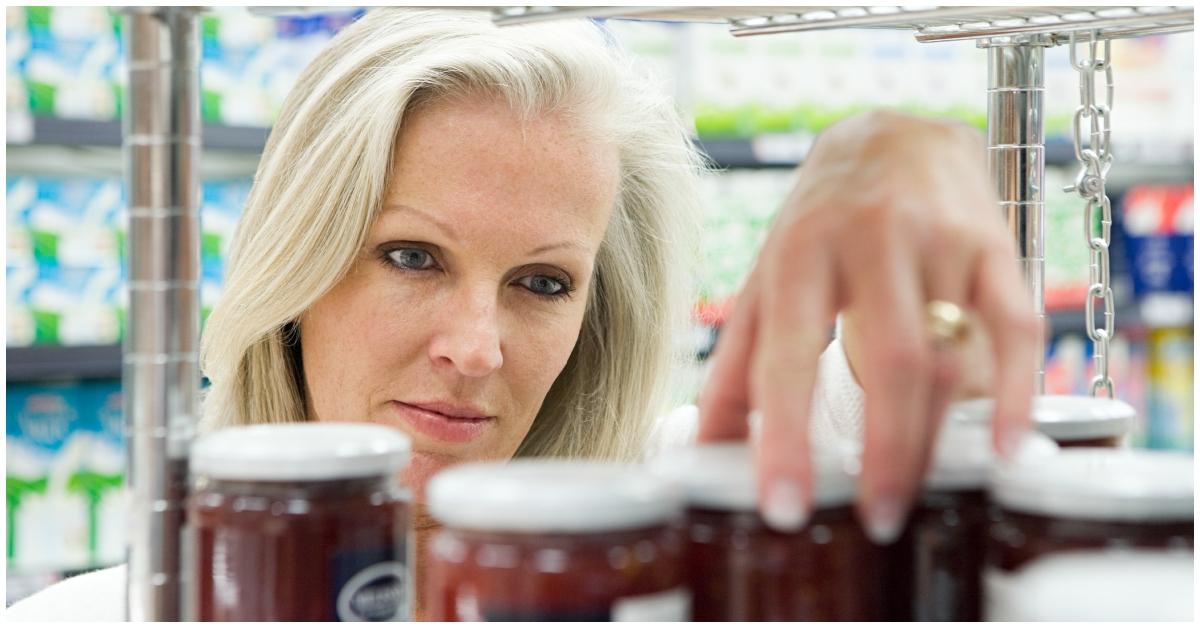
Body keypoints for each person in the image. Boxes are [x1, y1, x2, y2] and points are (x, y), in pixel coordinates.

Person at [6, 8, 1035, 621]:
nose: (475, 347)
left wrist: (909, 166)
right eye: (412, 256)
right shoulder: (105, 616)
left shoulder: (674, 542)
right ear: (298, 267)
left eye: (542, 282)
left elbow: (927, 421)